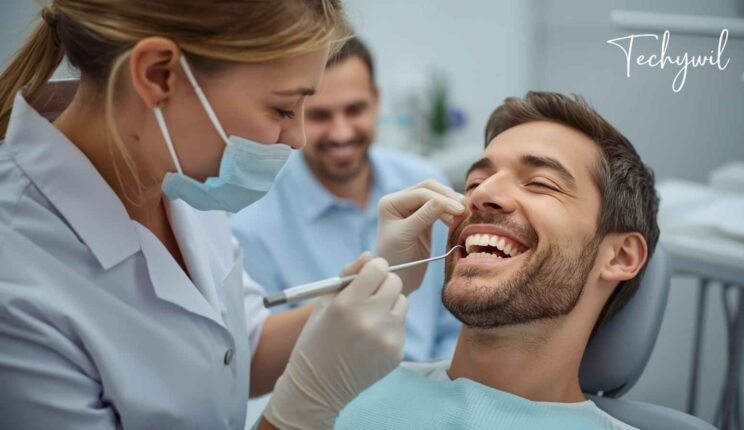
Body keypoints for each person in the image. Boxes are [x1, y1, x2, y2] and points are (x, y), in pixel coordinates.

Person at [0, 1, 466, 429]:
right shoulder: (17, 283)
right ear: (160, 75)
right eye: (283, 108)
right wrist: (301, 409)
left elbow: (238, 348)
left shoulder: (177, 170)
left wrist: (384, 278)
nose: (298, 138)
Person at [336, 92, 660, 429]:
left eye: (540, 183)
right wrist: (377, 285)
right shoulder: (343, 391)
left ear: (621, 256)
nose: (481, 194)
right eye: (474, 181)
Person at [231, 37, 460, 361]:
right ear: (293, 113)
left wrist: (436, 389)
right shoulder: (251, 224)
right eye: (320, 115)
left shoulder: (424, 183)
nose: (341, 133)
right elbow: (259, 360)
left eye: (355, 110)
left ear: (376, 101)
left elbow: (455, 325)